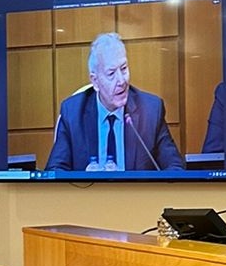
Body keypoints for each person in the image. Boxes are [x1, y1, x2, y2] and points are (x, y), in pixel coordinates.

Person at [46, 31, 184, 172]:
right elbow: (55, 171)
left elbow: (175, 169)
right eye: (111, 73)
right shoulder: (73, 113)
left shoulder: (151, 111)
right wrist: (84, 180)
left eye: (123, 69)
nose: (122, 81)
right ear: (95, 81)